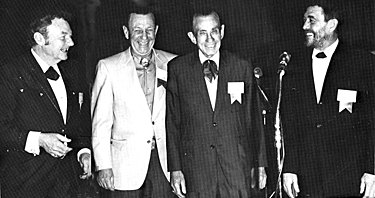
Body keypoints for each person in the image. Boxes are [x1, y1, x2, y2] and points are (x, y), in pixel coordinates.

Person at [166, 10, 267, 198]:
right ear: (192, 37)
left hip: (236, 168)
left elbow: (253, 120)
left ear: (222, 31)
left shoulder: (241, 66)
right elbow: (172, 124)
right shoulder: (178, 69)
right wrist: (176, 169)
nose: (210, 38)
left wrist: (260, 163)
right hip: (197, 171)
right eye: (202, 33)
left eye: (214, 31)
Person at [282, 1, 375, 198]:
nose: (304, 26)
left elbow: (372, 120)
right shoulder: (294, 64)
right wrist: (289, 168)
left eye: (311, 20)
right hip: (307, 178)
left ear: (331, 25)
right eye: (305, 20)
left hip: (350, 176)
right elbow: (290, 122)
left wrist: (372, 169)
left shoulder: (362, 62)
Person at [0, 10, 92, 198]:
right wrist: (40, 140)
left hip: (68, 184)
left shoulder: (73, 71)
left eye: (71, 37)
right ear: (40, 39)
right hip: (26, 184)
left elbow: (79, 121)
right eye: (63, 37)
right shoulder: (9, 74)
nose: (71, 43)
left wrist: (84, 151)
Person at [91, 9, 177, 198]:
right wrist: (103, 165)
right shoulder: (108, 67)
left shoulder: (174, 63)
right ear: (126, 32)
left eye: (149, 30)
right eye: (137, 30)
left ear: (156, 31)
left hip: (164, 164)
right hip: (124, 166)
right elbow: (101, 123)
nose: (144, 37)